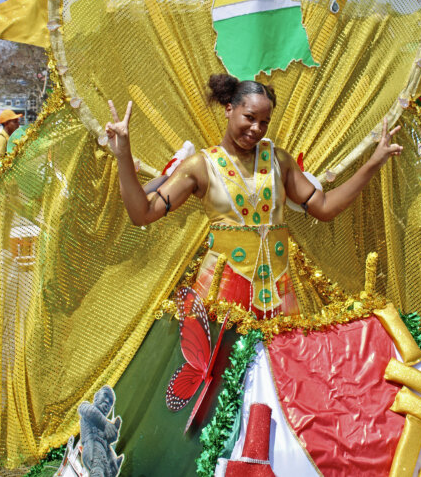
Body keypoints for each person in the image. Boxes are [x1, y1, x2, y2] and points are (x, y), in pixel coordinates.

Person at [105, 74, 404, 475]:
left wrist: (372, 163)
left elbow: (326, 206)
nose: (255, 129)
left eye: (264, 122)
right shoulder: (201, 166)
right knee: (218, 396)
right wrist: (123, 153)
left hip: (279, 297)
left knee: (285, 388)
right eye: (248, 117)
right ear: (229, 109)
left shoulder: (278, 161)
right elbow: (142, 214)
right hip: (221, 298)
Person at [78, 385, 124, 477]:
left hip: (103, 454)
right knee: (97, 472)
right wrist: (106, 424)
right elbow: (90, 412)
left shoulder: (104, 426)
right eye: (105, 395)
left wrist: (114, 461)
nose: (107, 401)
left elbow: (107, 445)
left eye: (110, 402)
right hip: (92, 448)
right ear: (96, 396)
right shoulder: (86, 407)